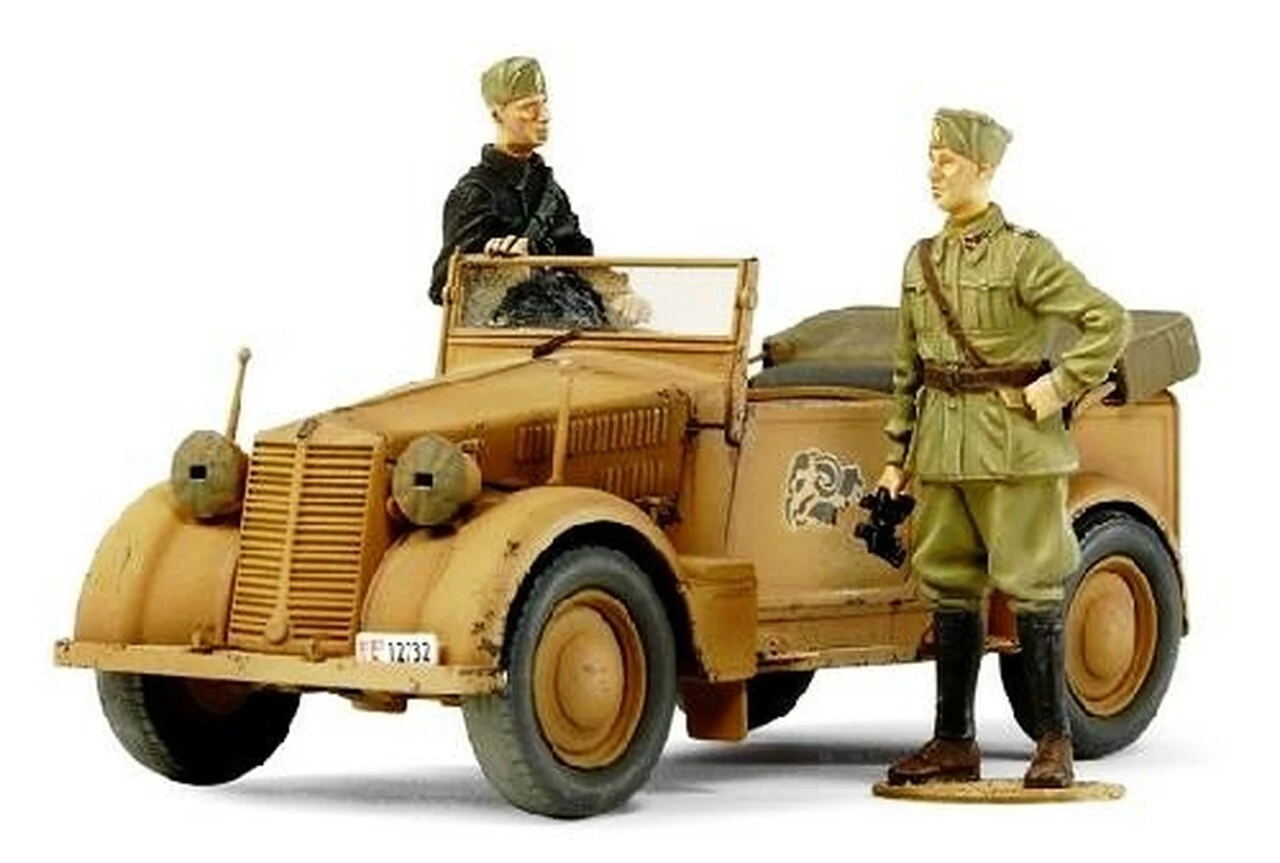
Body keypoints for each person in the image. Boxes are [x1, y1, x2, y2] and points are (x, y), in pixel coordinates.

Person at [877, 109, 1130, 789]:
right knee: (949, 588)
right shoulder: (921, 260)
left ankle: (1053, 740)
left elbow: (1108, 320)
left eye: (948, 160)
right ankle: (953, 741)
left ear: (984, 169)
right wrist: (898, 454)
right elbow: (907, 367)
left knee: (1035, 587)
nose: (933, 172)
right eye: (930, 158)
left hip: (1015, 448)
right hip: (943, 450)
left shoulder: (1024, 255)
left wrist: (1059, 386)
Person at [429, 56, 648, 327]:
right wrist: (502, 270)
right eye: (529, 107)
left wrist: (620, 294)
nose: (544, 116)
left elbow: (579, 258)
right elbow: (445, 289)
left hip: (575, 328)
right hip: (515, 340)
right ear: (497, 114)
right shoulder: (475, 194)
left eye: (544, 103)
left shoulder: (549, 191)